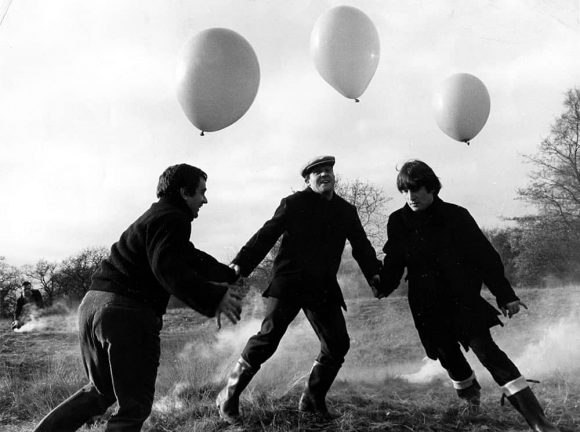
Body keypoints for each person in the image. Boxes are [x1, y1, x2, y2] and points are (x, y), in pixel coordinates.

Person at [34, 163, 244, 432]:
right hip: (126, 312)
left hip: (93, 306)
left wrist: (227, 273)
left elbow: (188, 257)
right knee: (133, 408)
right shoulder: (173, 218)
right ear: (183, 192)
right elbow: (167, 267)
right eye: (201, 192)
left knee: (100, 392)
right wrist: (214, 298)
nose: (205, 199)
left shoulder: (155, 217)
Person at [375, 160, 560, 432]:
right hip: (425, 305)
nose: (411, 197)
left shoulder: (456, 216)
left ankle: (538, 420)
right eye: (405, 191)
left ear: (432, 187)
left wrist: (505, 295)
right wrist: (381, 285)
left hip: (462, 300)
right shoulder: (398, 221)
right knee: (446, 356)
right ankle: (470, 398)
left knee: (488, 353)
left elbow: (486, 258)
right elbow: (394, 262)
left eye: (417, 189)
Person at [216, 155, 381, 424]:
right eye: (318, 172)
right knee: (268, 340)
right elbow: (266, 234)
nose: (325, 175)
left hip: (322, 288)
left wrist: (374, 274)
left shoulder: (346, 211)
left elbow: (362, 245)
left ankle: (312, 400)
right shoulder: (294, 204)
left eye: (328, 170)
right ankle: (228, 395)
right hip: (290, 282)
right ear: (307, 180)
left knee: (337, 344)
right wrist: (240, 265)